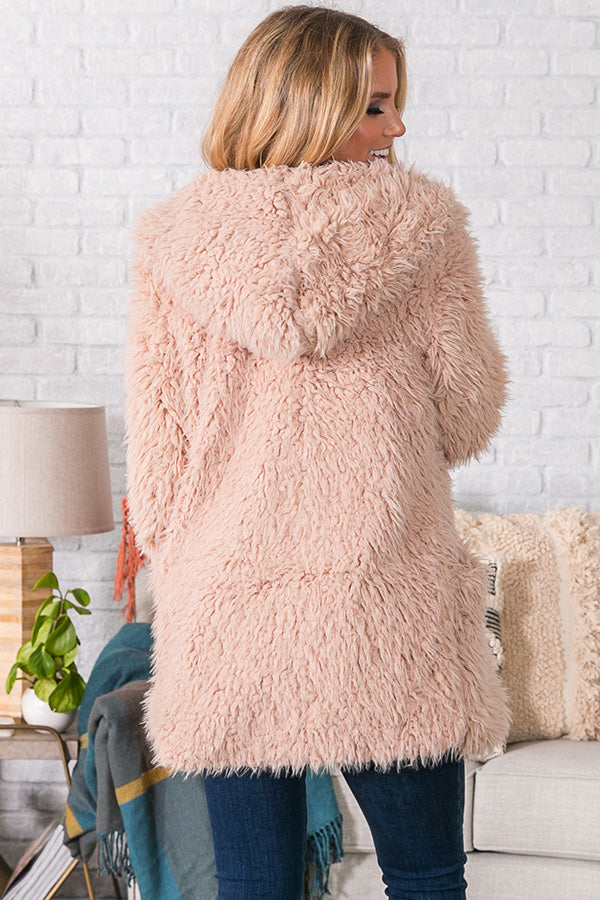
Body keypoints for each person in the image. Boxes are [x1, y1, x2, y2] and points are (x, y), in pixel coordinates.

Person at [125, 6, 510, 899]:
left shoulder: (177, 244)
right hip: (387, 606)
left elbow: (158, 463)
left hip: (230, 611)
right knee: (425, 879)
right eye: (375, 107)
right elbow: (468, 417)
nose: (398, 126)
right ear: (307, 105)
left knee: (255, 883)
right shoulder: (421, 228)